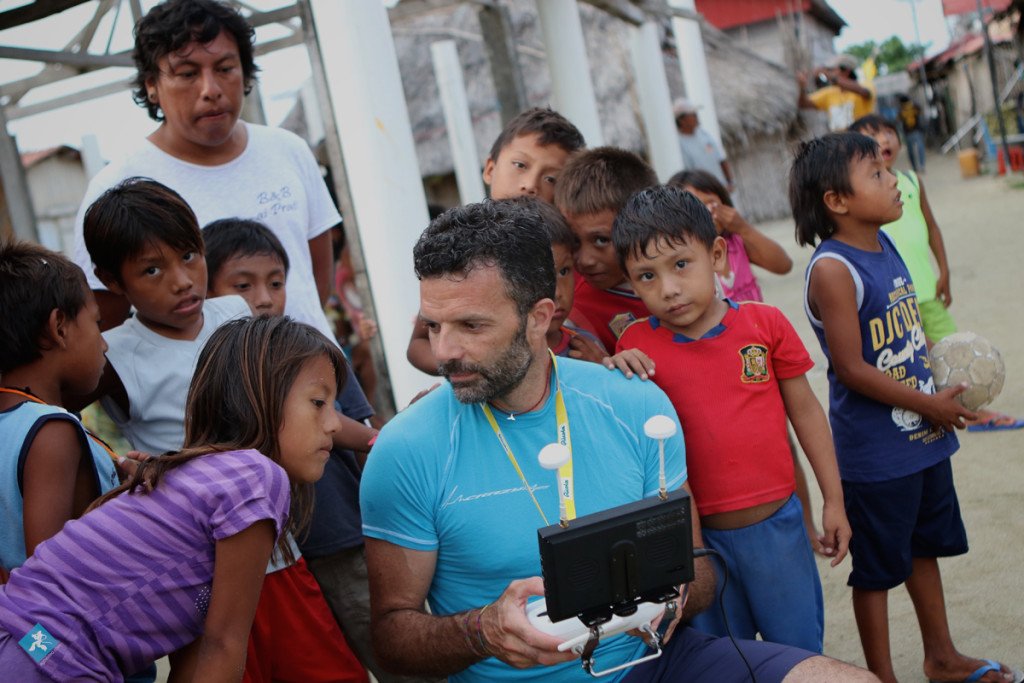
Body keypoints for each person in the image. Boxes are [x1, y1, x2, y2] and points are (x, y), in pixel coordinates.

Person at [359, 200, 878, 682]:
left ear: (539, 318)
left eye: (471, 325)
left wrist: (672, 592)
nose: (444, 351)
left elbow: (699, 571)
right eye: (433, 326)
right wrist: (482, 630)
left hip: (649, 664)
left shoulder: (636, 406)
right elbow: (390, 638)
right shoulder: (405, 449)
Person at [0, 316, 367, 682]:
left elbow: (198, 654)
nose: (334, 424)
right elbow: (224, 644)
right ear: (261, 397)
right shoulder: (256, 476)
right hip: (48, 655)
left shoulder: (198, 479)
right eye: (319, 402)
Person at [792, 131, 1021, 683]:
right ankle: (881, 677)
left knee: (924, 548)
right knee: (876, 571)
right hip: (875, 455)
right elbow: (851, 368)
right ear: (837, 201)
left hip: (921, 439)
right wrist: (930, 404)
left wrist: (939, 391)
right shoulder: (833, 269)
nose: (894, 180)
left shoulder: (884, 243)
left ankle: (940, 657)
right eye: (876, 174)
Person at [605, 186, 848, 653]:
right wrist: (615, 369)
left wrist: (833, 499)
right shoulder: (634, 350)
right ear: (632, 285)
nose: (669, 288)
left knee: (796, 653)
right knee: (718, 660)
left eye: (681, 264)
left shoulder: (765, 324)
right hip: (696, 545)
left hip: (777, 527)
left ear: (716, 255)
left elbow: (807, 414)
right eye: (646, 276)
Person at [201, 217, 429, 683]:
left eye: (276, 282)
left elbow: (366, 435)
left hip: (343, 535)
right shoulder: (221, 366)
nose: (263, 298)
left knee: (399, 659)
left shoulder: (314, 351)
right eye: (242, 285)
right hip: (280, 558)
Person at [71, 0, 340, 344]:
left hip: (319, 374)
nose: (211, 90)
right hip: (211, 393)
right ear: (151, 85)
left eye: (225, 68)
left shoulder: (288, 150)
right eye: (187, 73)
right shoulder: (120, 187)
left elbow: (314, 277)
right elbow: (105, 327)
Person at [849, 115, 1023, 433]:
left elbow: (931, 227)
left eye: (889, 132)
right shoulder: (867, 203)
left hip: (927, 291)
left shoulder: (911, 182)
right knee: (908, 357)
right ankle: (927, 409)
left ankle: (974, 410)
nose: (885, 140)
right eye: (873, 136)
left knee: (951, 351)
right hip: (896, 300)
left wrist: (943, 270)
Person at [406, 107, 586, 375]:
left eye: (551, 178)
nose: (530, 184)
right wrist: (465, 371)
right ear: (490, 168)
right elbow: (418, 344)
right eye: (520, 165)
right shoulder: (466, 248)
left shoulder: (568, 252)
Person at [0, 242, 121, 576]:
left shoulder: (11, 421)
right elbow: (48, 575)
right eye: (97, 323)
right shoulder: (52, 430)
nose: (105, 342)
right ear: (59, 327)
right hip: (58, 627)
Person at [553, 147, 658, 352]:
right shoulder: (573, 310)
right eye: (574, 241)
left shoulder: (687, 275)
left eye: (601, 240)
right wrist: (603, 369)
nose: (585, 260)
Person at [667, 169, 792, 302]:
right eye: (695, 209)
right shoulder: (684, 259)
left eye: (711, 204)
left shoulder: (736, 242)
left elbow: (783, 265)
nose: (707, 214)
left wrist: (743, 228)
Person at [507, 196, 606, 362]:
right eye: (538, 276)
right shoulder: (501, 360)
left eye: (564, 271)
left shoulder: (586, 347)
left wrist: (601, 370)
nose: (557, 292)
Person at [798, 53, 875, 132]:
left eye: (831, 69)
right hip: (841, 141)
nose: (829, 72)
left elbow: (864, 92)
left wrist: (829, 76)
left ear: (846, 71)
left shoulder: (865, 84)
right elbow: (803, 104)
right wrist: (801, 87)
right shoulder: (829, 92)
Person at [671, 98, 733, 191]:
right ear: (681, 120)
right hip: (706, 194)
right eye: (693, 114)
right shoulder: (679, 145)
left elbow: (721, 159)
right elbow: (688, 177)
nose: (697, 116)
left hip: (723, 189)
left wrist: (730, 182)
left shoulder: (703, 133)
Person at [896, 95, 926, 174]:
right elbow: (921, 115)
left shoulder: (901, 110)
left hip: (908, 133)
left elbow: (898, 121)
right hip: (917, 131)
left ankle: (915, 168)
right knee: (920, 149)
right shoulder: (914, 106)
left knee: (911, 152)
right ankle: (922, 165)